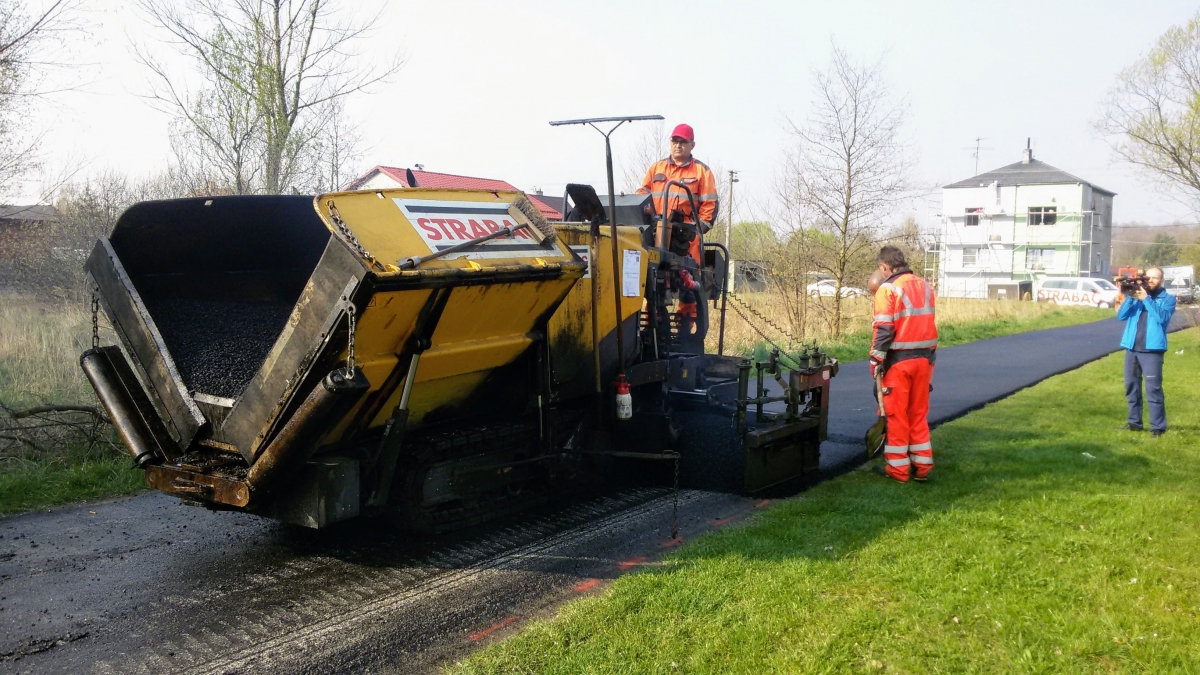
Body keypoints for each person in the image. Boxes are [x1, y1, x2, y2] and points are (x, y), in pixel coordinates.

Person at [870, 246, 938, 483]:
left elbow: (884, 330)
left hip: (899, 363)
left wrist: (875, 360)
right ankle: (922, 467)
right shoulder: (925, 285)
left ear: (884, 267)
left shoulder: (887, 289)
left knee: (896, 416)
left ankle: (898, 471)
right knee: (918, 414)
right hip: (926, 360)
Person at [638, 123, 719, 266]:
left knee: (688, 277)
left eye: (683, 142)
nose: (678, 145)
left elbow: (710, 205)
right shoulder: (656, 168)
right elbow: (642, 195)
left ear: (692, 145)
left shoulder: (702, 171)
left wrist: (694, 231)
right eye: (675, 141)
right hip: (656, 231)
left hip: (685, 237)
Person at [1117, 266, 1176, 437]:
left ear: (1161, 281)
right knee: (1131, 386)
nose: (1150, 281)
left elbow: (1162, 318)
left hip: (1152, 350)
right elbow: (1121, 316)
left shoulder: (1168, 299)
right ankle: (1134, 423)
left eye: (1154, 278)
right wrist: (1131, 297)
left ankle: (1158, 427)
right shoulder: (1137, 296)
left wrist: (1146, 299)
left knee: (1153, 389)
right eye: (1147, 278)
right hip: (1132, 348)